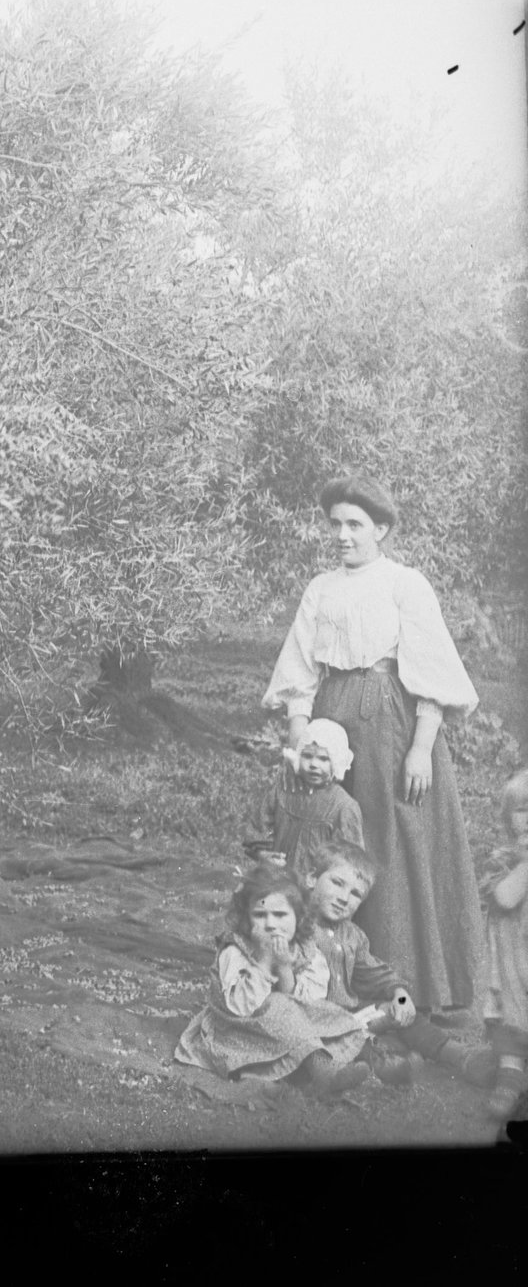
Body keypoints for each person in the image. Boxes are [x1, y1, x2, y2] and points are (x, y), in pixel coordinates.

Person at [263, 474, 486, 1017]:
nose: (342, 535)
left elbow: (431, 670)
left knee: (386, 838)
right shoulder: (321, 587)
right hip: (331, 716)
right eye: (335, 523)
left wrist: (421, 746)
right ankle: (318, 975)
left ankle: (405, 982)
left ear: (381, 529)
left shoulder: (403, 583)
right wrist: (299, 737)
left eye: (355, 525)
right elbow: (299, 667)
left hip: (389, 718)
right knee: (326, 832)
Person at [299, 838, 496, 1088]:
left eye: (355, 894)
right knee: (342, 1041)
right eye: (337, 883)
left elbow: (379, 975)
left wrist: (400, 995)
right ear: (311, 879)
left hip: (353, 1016)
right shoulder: (295, 926)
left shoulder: (352, 936)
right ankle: (382, 1064)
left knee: (400, 1012)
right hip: (313, 1021)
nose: (343, 898)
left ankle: (459, 1055)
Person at [173, 863, 372, 1097]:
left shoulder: (305, 951)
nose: (270, 924)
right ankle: (323, 1073)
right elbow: (240, 1006)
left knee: (333, 1017)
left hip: (288, 1029)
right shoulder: (236, 950)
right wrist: (266, 960)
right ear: (246, 918)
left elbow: (307, 1003)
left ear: (299, 917)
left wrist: (286, 967)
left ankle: (340, 1067)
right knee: (279, 1006)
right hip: (239, 1032)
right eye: (260, 915)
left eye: (280, 915)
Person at [246, 718, 364, 873]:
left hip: (314, 886)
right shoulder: (284, 791)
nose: (314, 764)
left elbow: (350, 859)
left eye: (323, 759)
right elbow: (258, 828)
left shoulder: (344, 807)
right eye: (307, 756)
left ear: (336, 762)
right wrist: (264, 855)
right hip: (277, 878)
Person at [480, 770, 528, 1120]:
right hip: (512, 960)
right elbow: (506, 897)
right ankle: (510, 1076)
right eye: (523, 809)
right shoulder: (501, 857)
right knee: (510, 1018)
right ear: (509, 815)